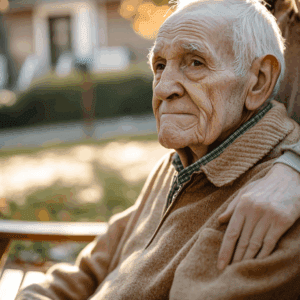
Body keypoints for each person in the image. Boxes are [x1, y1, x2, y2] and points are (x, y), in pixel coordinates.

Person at [17, 0, 300, 298]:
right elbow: (87, 273)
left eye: (195, 63)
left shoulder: (273, 207)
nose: (164, 88)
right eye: (160, 65)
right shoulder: (177, 163)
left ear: (259, 81)